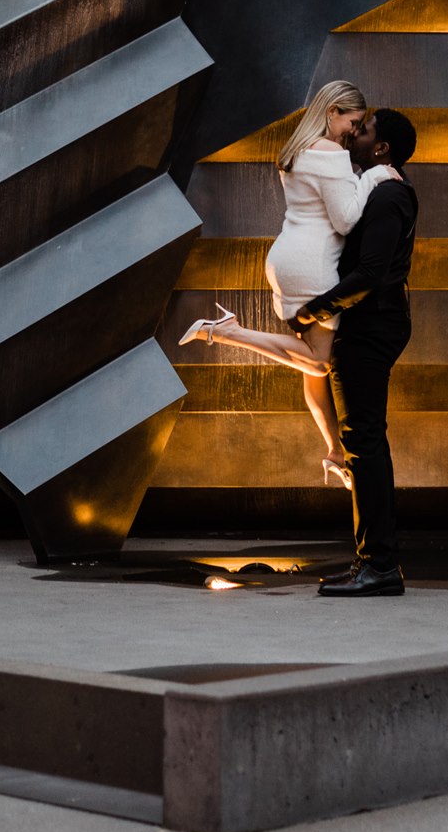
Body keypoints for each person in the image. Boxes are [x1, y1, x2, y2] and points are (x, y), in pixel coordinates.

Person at [179, 81, 396, 488]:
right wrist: (377, 175)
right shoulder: (329, 152)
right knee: (317, 362)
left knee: (309, 369)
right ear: (332, 112)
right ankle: (227, 332)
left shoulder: (297, 150)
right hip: (312, 266)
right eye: (353, 121)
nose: (355, 130)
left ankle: (333, 449)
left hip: (287, 260)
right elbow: (346, 220)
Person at [296, 109, 418, 599]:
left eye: (363, 130)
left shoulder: (389, 195)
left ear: (381, 147)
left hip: (372, 327)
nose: (354, 135)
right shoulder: (381, 189)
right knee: (364, 443)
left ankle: (379, 567)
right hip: (373, 325)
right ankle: (375, 563)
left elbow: (369, 273)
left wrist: (312, 312)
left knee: (365, 444)